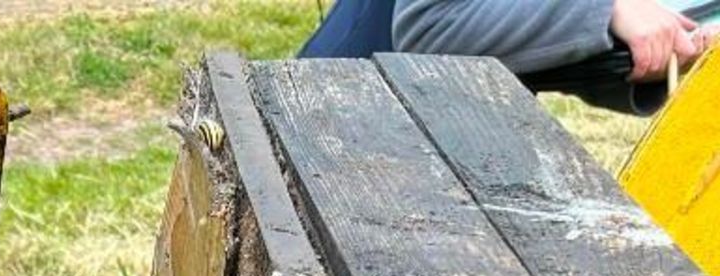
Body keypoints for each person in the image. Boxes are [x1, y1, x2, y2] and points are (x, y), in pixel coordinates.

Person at [304, 0, 713, 81]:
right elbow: (428, 24)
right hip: (344, 118)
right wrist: (607, 10)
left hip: (458, 128)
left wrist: (664, 48)